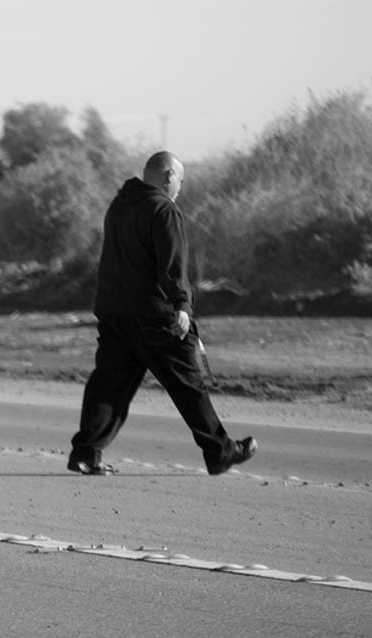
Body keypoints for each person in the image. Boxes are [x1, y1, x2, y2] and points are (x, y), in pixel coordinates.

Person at [67, 152, 258, 476]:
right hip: (153, 316)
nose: (180, 189)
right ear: (169, 175)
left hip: (115, 314)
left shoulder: (119, 206)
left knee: (108, 387)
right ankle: (220, 451)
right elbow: (172, 267)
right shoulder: (163, 209)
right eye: (180, 181)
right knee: (188, 384)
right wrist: (182, 305)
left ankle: (86, 453)